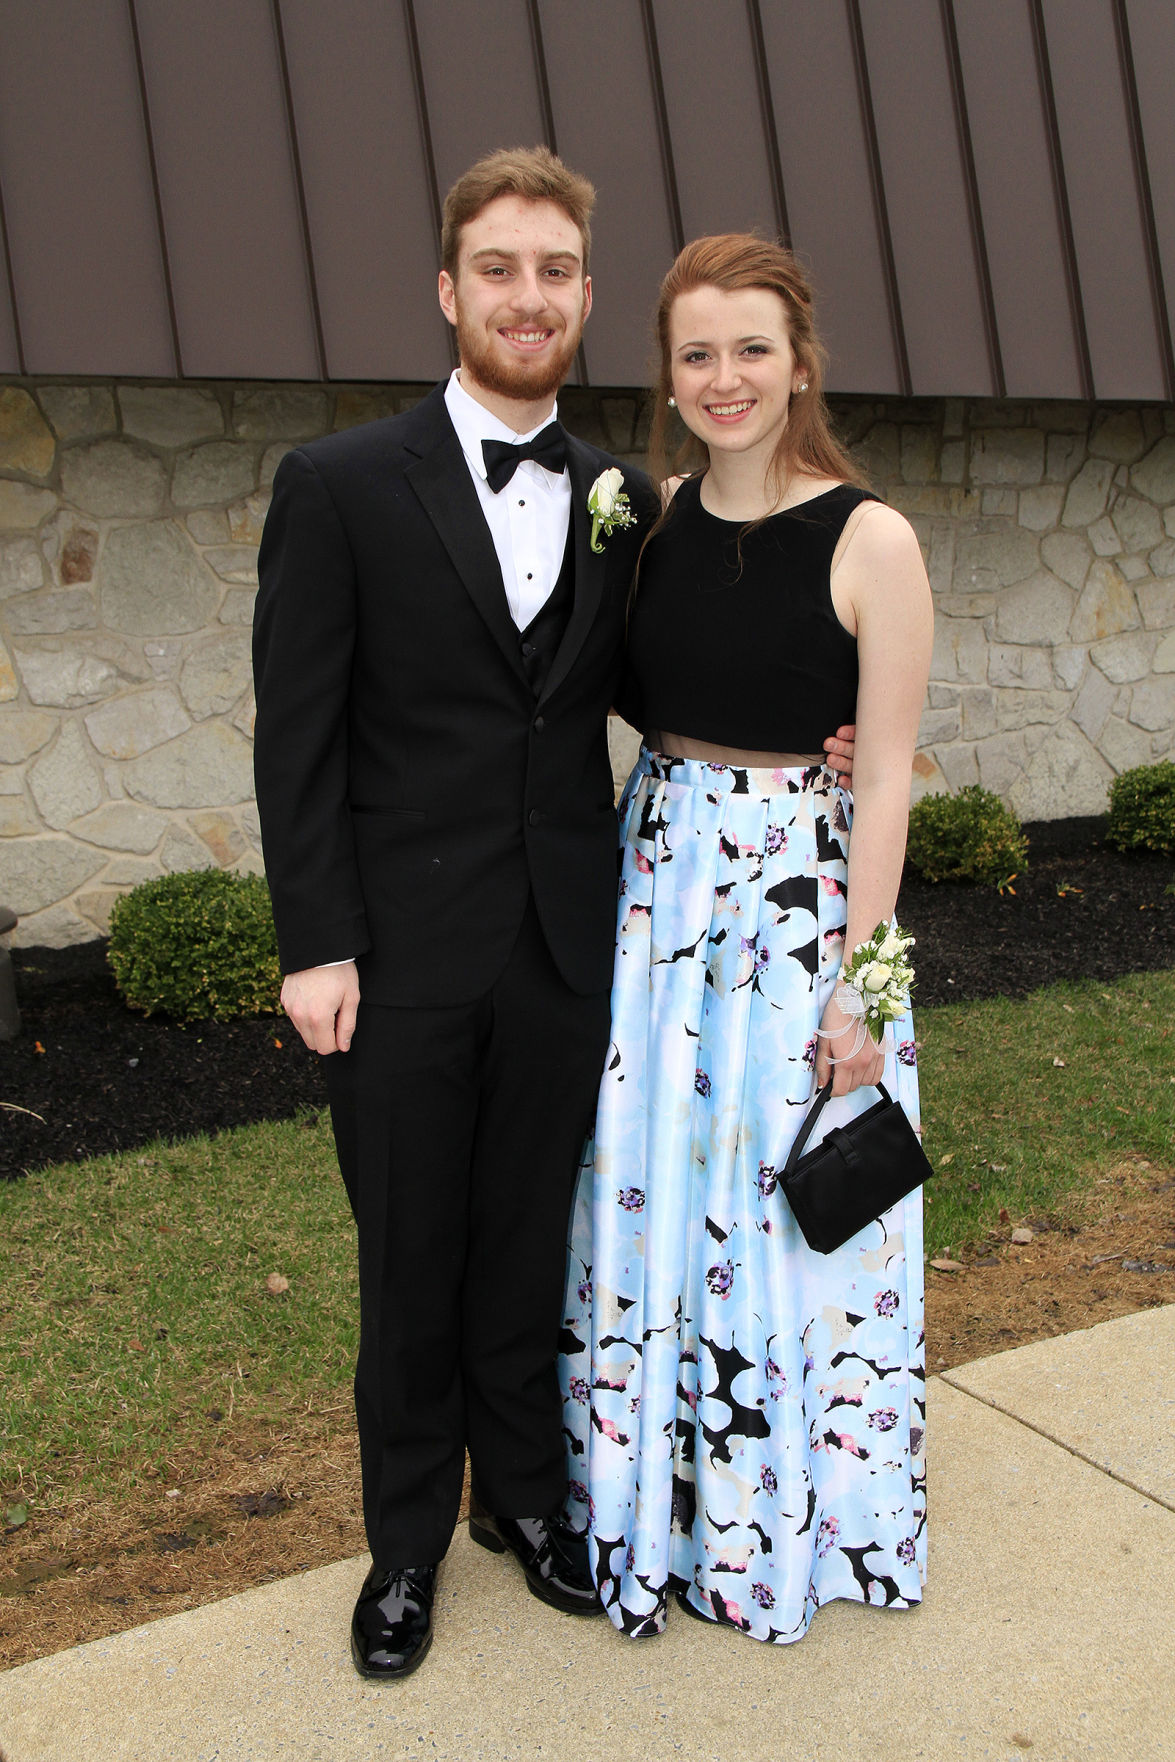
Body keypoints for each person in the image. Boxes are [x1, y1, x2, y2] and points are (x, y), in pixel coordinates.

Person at [253, 151, 856, 1681]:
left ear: (587, 299)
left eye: (555, 273)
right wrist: (314, 939)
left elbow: (674, 684)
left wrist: (821, 736)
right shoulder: (335, 485)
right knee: (411, 1255)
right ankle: (402, 1548)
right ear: (450, 291)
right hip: (390, 956)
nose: (528, 297)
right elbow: (295, 732)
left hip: (572, 946)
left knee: (533, 1243)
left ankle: (524, 1499)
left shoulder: (624, 498)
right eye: (499, 269)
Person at [560, 234, 934, 1645]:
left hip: (799, 912)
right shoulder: (640, 522)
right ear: (670, 372)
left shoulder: (869, 537)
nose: (726, 378)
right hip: (656, 894)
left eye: (752, 349)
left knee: (783, 1209)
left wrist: (865, 985)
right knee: (653, 1187)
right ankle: (651, 1503)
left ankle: (788, 1518)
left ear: (800, 363)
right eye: (698, 353)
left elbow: (888, 768)